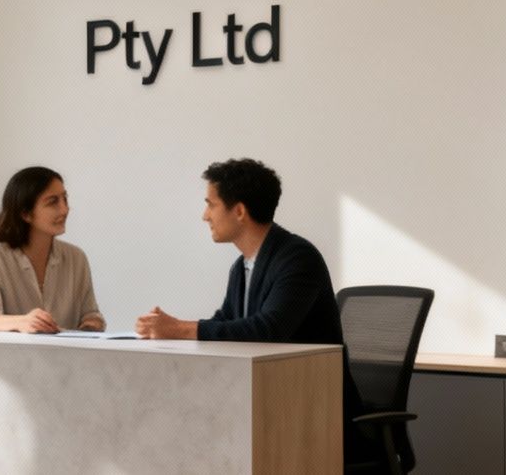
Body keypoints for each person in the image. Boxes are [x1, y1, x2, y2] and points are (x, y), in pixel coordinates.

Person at [134, 158, 363, 411]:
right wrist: (172, 328)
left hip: (313, 403)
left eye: (211, 205)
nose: (204, 216)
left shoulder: (298, 258)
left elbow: (269, 330)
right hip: (270, 395)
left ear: (240, 211)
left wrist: (178, 329)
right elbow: (226, 321)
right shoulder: (241, 267)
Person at [0, 166, 106, 334]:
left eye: (65, 199)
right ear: (25, 213)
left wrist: (91, 324)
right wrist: (22, 321)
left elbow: (91, 314)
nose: (65, 209)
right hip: (11, 358)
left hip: (66, 358)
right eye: (53, 202)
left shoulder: (76, 257)